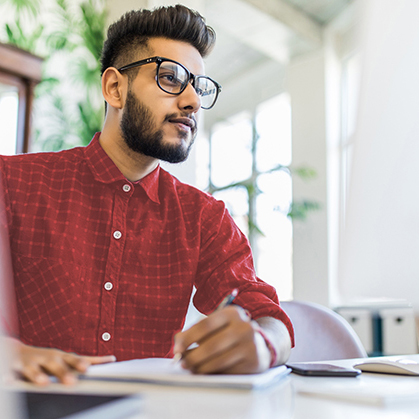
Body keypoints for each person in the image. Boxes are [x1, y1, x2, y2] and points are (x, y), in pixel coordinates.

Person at [0, 4, 293, 385]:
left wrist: (262, 342)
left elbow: (269, 317)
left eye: (198, 87)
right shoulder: (13, 182)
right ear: (115, 88)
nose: (191, 101)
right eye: (171, 78)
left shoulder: (204, 217)